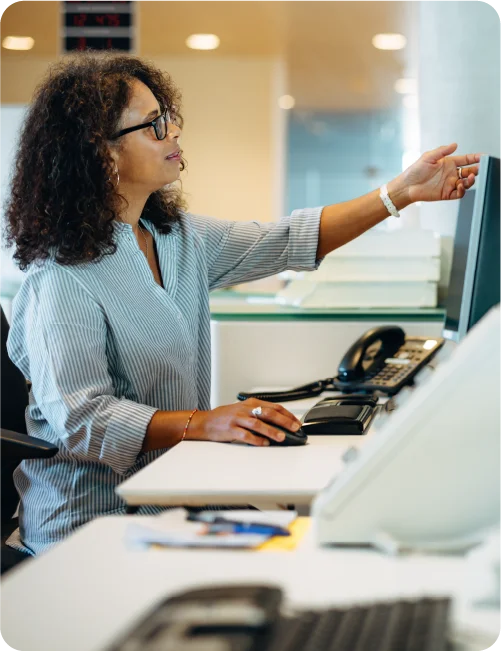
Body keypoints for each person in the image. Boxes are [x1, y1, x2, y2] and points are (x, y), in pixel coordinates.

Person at [3, 52, 479, 557]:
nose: (174, 133)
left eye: (169, 117)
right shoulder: (61, 276)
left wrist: (401, 192)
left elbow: (290, 238)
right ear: (102, 154)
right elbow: (83, 420)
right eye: (154, 125)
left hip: (178, 498)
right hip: (92, 527)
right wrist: (205, 423)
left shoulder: (176, 237)